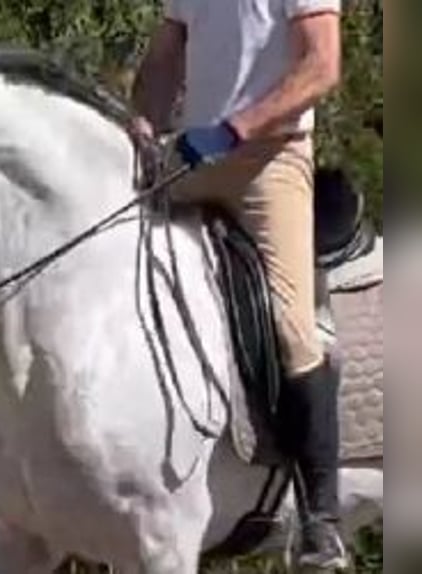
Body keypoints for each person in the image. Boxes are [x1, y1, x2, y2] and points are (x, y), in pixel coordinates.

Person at [130, 0, 346, 569]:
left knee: (291, 328)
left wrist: (236, 128)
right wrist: (146, 126)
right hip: (191, 154)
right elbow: (162, 61)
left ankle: (322, 518)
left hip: (269, 159)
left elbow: (322, 64)